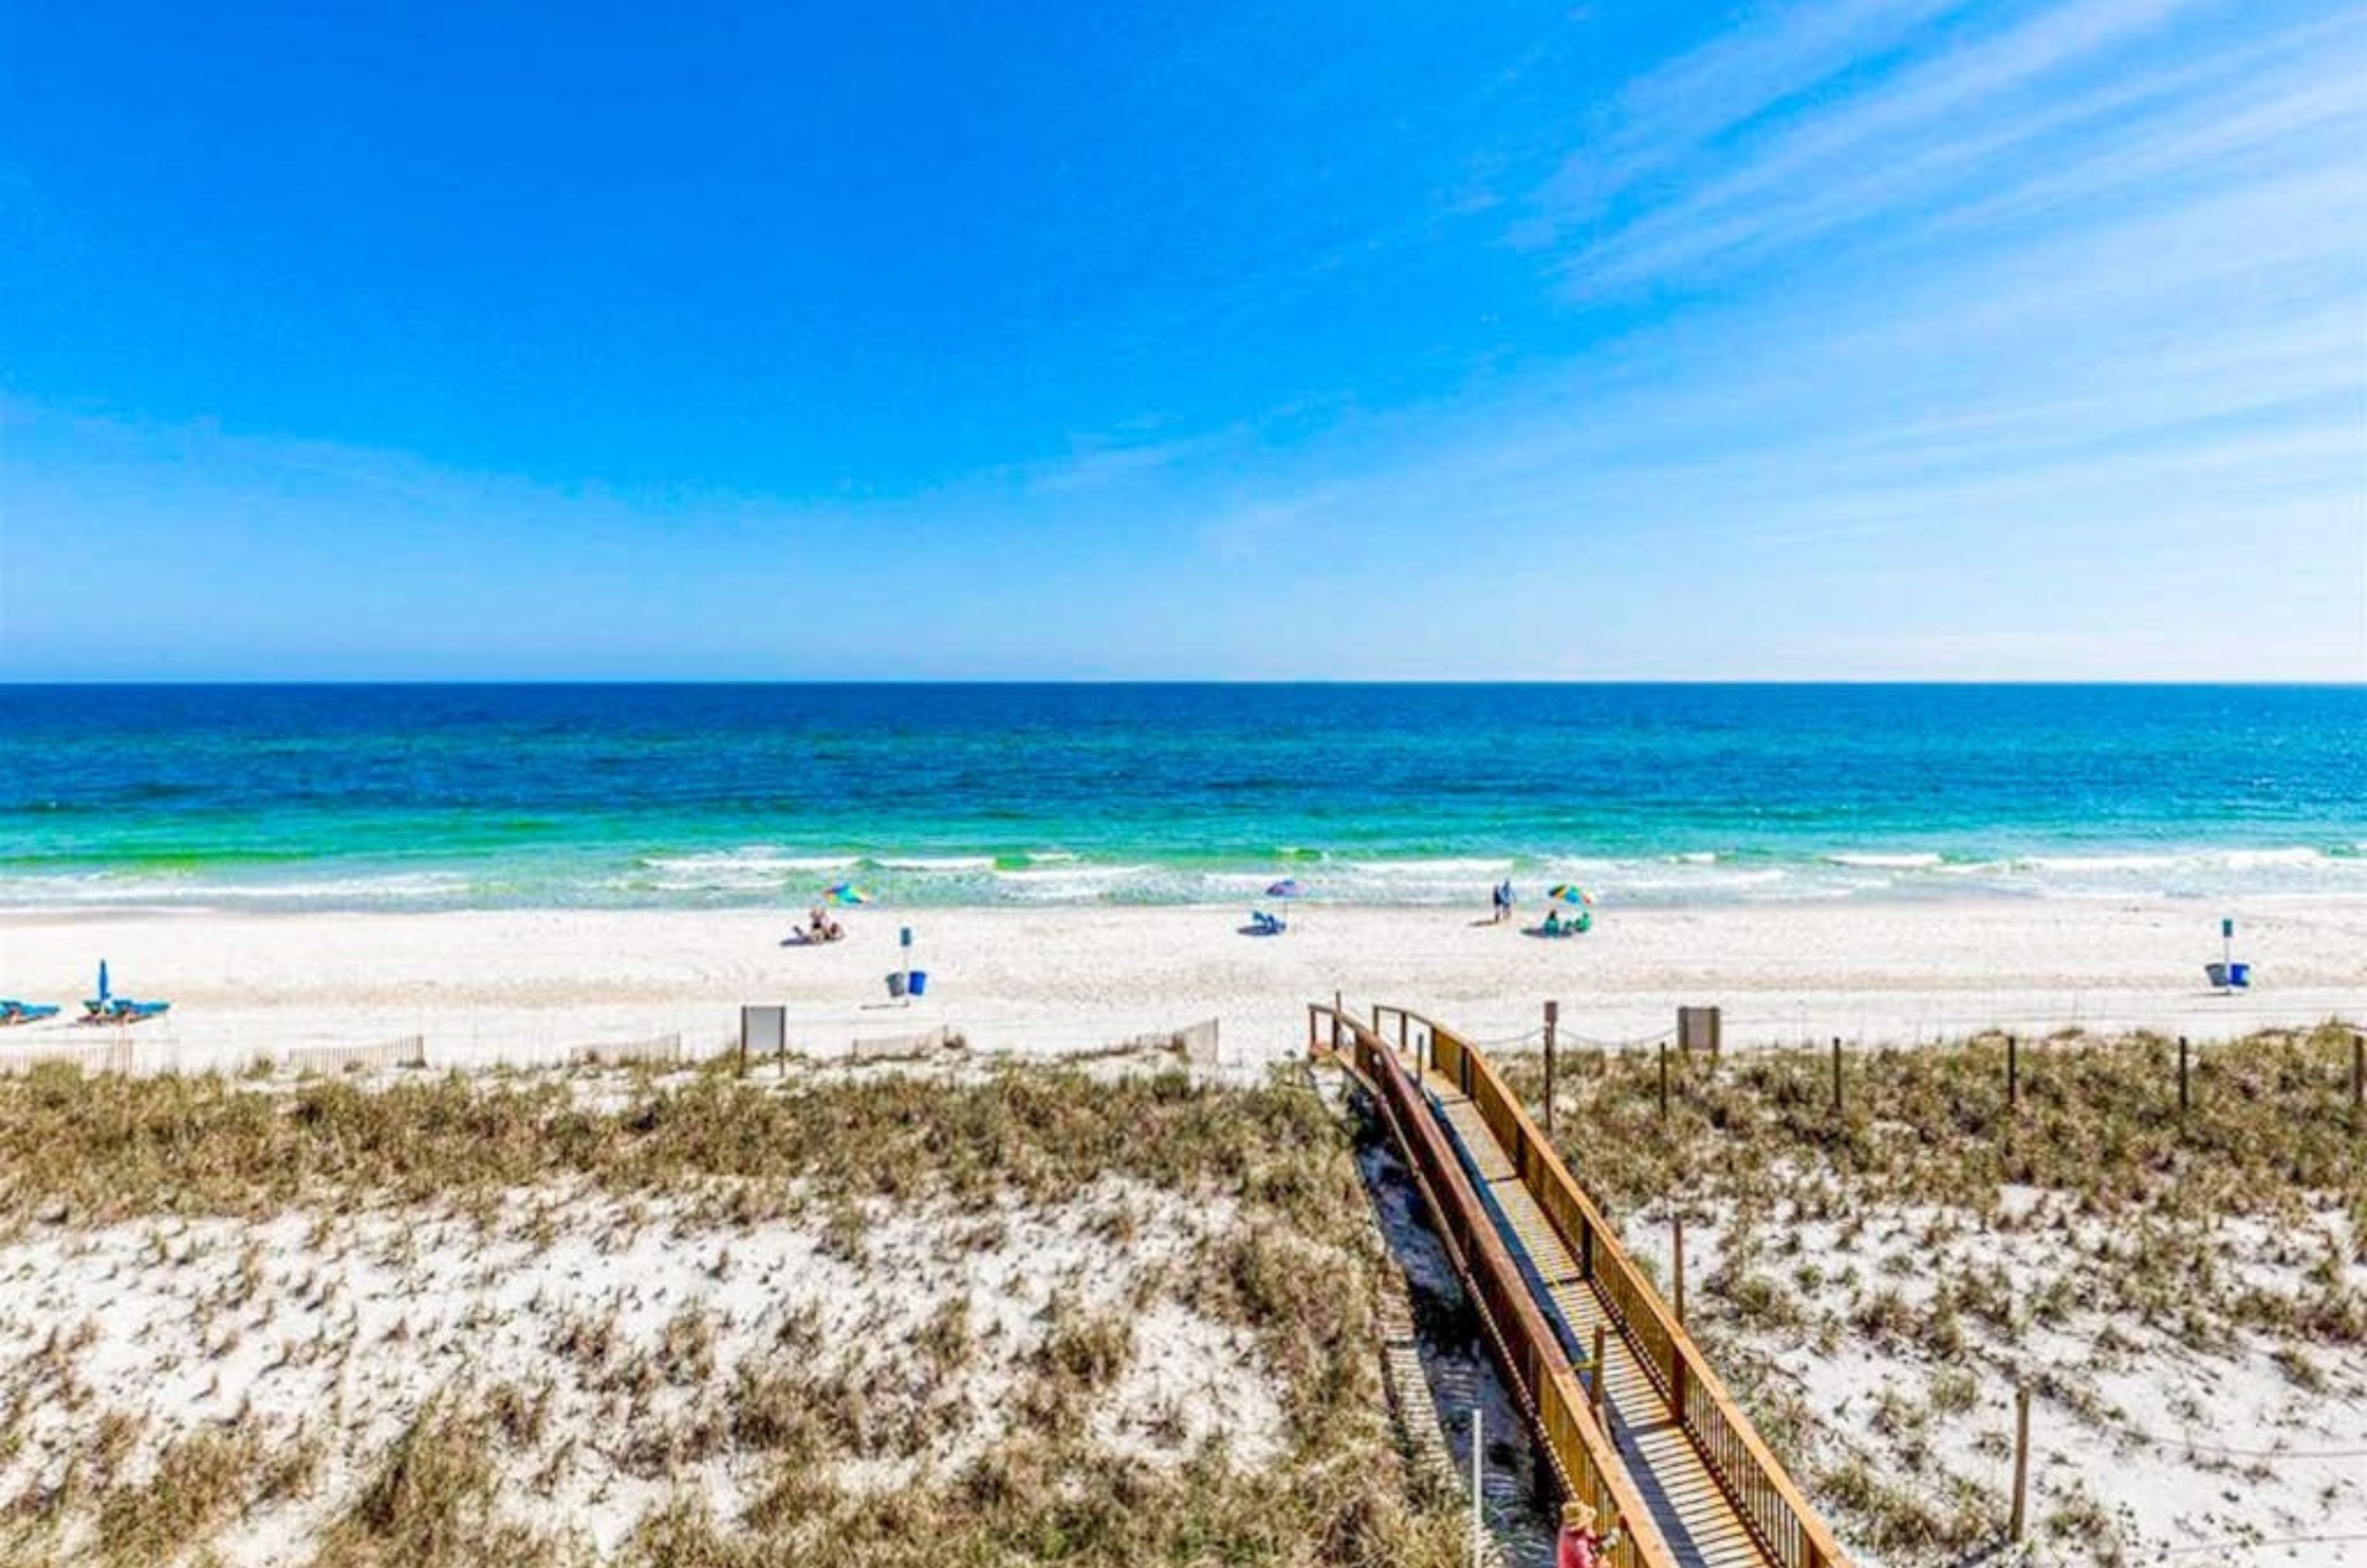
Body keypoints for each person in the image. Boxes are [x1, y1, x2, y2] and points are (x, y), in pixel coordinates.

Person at [1556, 1500, 1620, 1568]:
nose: (1591, 1523)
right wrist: (1602, 1560)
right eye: (1589, 1521)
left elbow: (1589, 1537)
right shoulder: (1579, 1546)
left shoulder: (1565, 1529)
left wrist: (1605, 1537)